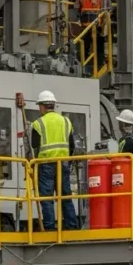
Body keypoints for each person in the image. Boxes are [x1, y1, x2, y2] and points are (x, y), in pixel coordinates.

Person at [30, 89, 78, 231]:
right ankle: (72, 226)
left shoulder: (38, 123)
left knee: (47, 198)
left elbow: (35, 146)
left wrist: (34, 165)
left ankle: (50, 228)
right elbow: (72, 145)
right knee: (65, 197)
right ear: (53, 105)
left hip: (45, 165)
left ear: (42, 106)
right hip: (63, 163)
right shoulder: (66, 121)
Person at [73, 0, 111, 74]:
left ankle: (99, 68)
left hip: (97, 27)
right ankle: (81, 69)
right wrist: (77, 21)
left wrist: (104, 26)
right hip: (85, 28)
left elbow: (107, 10)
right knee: (82, 49)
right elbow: (77, 8)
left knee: (99, 50)